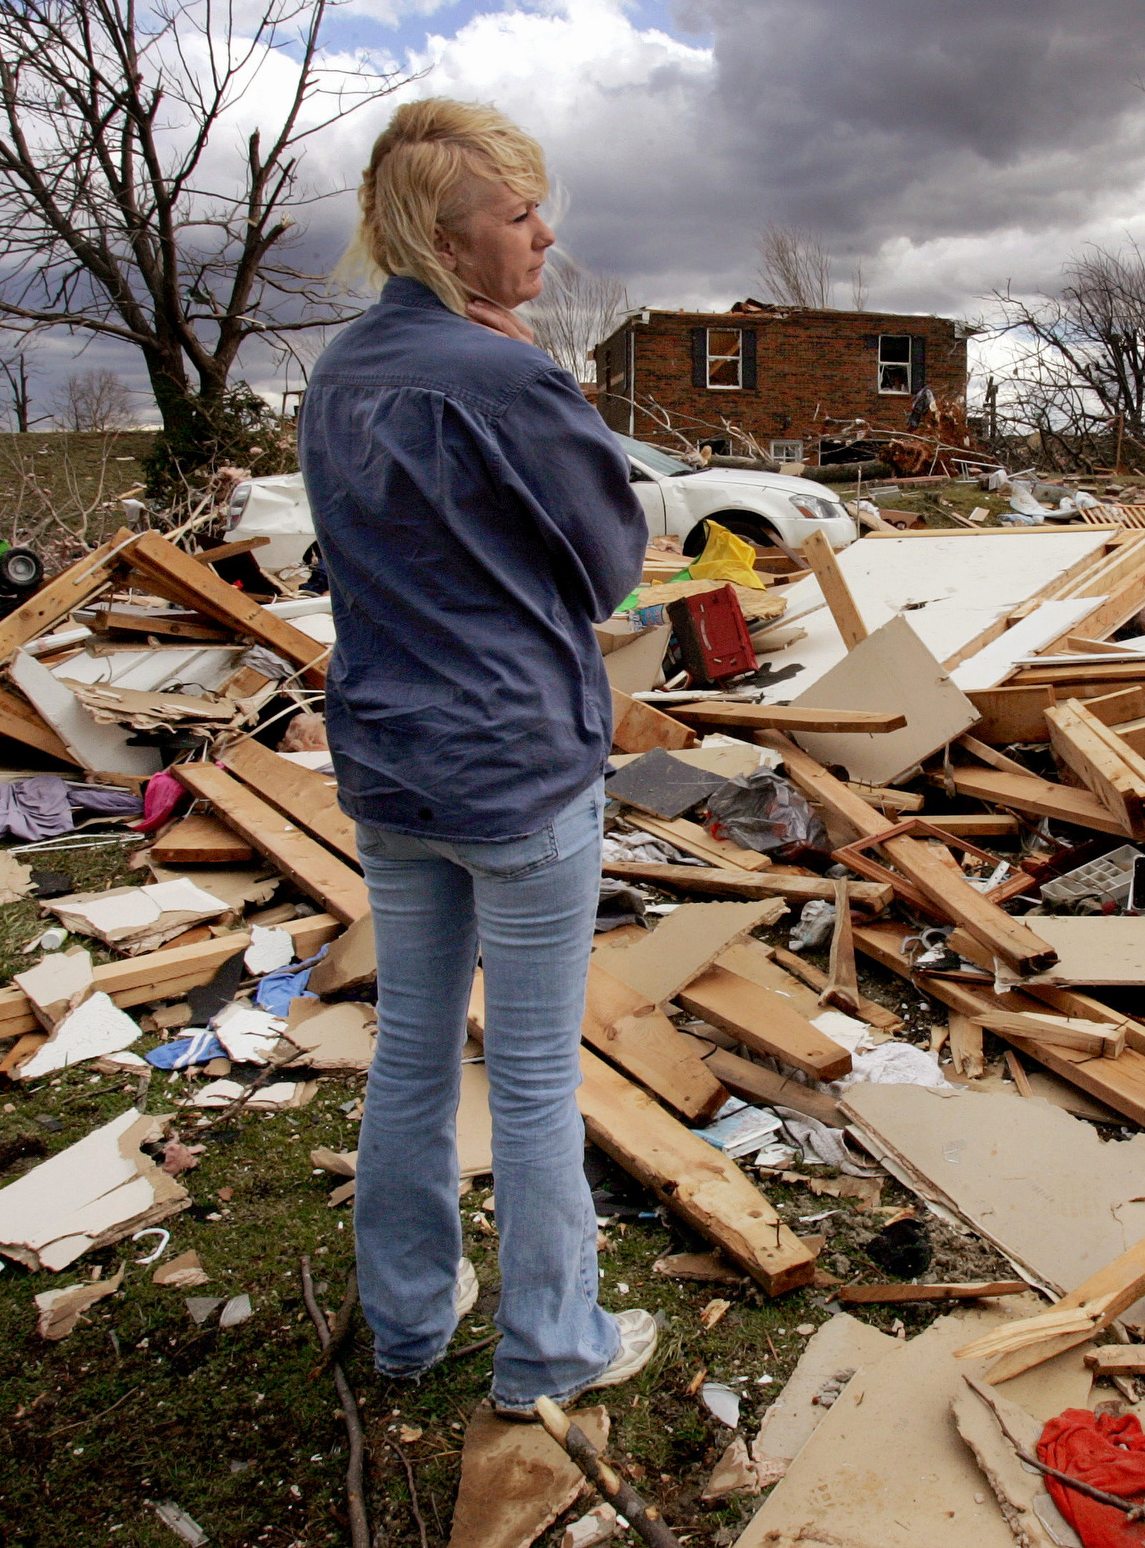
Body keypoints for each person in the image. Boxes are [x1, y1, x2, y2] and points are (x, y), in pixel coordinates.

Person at [300, 98, 659, 1414]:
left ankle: (405, 1324)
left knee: (408, 1048)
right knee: (530, 1074)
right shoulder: (510, 378)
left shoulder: (336, 374)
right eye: (519, 218)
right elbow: (612, 566)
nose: (546, 238)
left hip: (388, 767)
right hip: (515, 770)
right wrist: (539, 390)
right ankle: (553, 1350)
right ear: (450, 243)